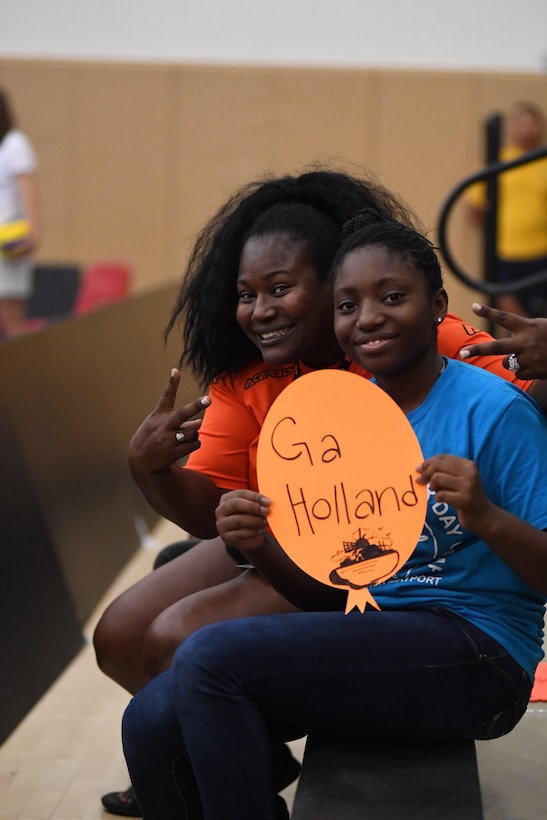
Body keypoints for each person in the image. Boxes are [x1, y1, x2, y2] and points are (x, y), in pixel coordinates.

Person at [95, 169, 542, 816]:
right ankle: (240, 762)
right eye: (349, 306)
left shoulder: (474, 391)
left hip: (468, 635)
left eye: (390, 298)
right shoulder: (347, 409)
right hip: (363, 599)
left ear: (436, 306)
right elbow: (332, 586)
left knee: (202, 654)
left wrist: (485, 515)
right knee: (148, 722)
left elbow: (525, 403)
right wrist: (176, 488)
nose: (368, 320)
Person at [466, 100, 547, 318]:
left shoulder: (543, 161)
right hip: (506, 251)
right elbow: (475, 206)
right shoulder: (498, 162)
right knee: (504, 300)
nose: (526, 128)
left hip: (540, 252)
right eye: (521, 123)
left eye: (531, 123)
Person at [0, 88, 40, 338]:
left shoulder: (15, 144)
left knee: (12, 326)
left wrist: (32, 236)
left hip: (9, 248)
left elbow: (29, 196)